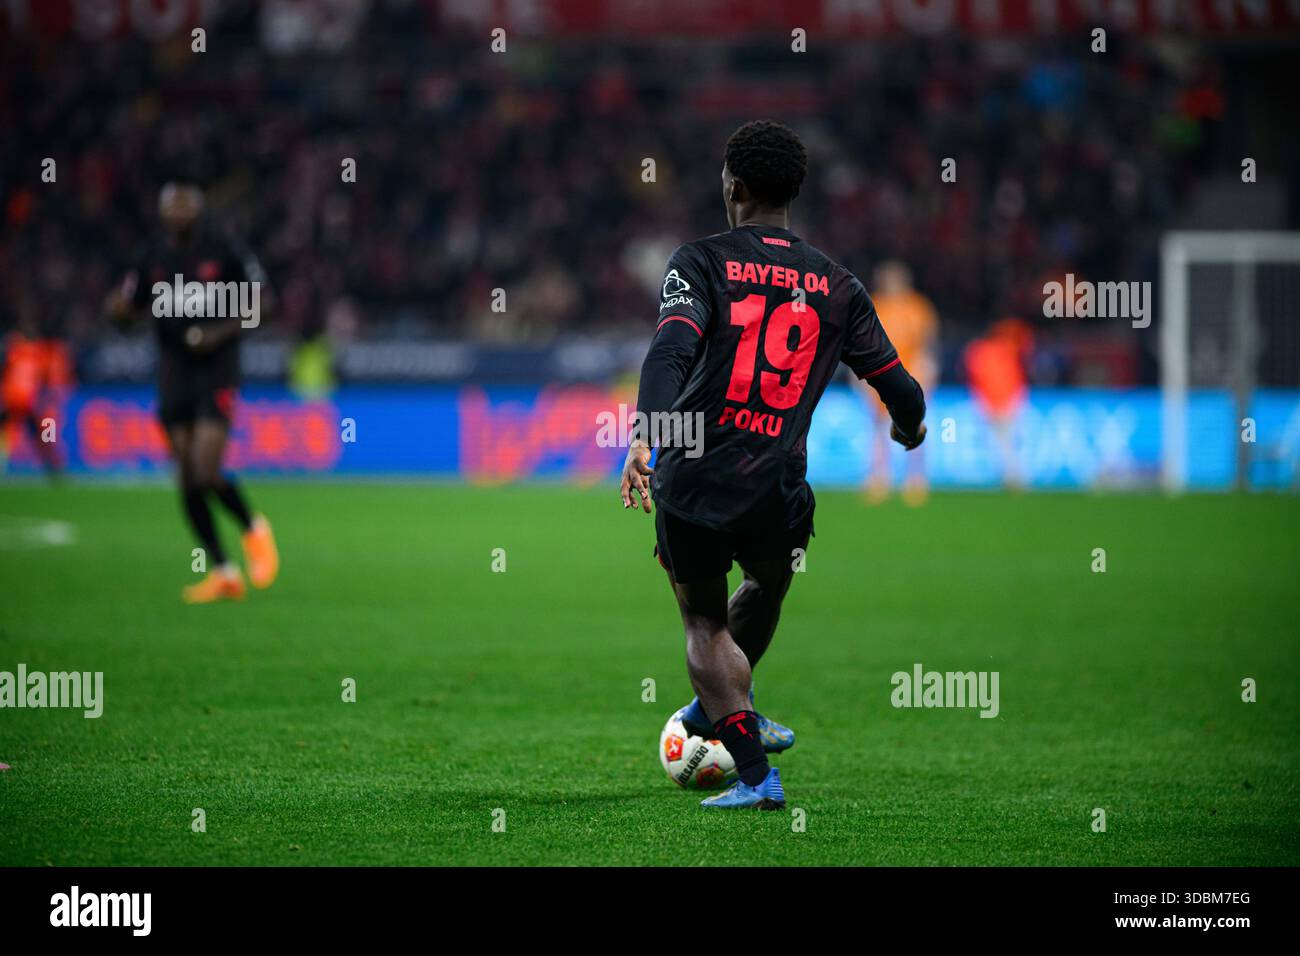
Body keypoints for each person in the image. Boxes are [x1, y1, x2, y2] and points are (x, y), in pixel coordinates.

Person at [619, 121, 927, 810]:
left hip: (696, 475)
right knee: (764, 587)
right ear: (796, 190)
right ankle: (727, 710)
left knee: (704, 623)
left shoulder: (699, 262)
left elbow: (670, 352)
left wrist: (647, 438)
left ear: (732, 184)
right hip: (780, 484)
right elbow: (901, 390)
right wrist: (910, 430)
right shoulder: (838, 285)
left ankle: (755, 774)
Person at [108, 180, 279, 603]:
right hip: (173, 372)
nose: (179, 212)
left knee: (206, 468)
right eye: (173, 205)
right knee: (186, 477)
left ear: (199, 210)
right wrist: (118, 312)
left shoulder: (224, 250)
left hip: (217, 370)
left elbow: (265, 303)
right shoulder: (151, 258)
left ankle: (253, 528)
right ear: (163, 211)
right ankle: (222, 569)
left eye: (187, 205)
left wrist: (219, 332)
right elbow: (126, 312)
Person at [860, 260, 938, 505]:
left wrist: (926, 374)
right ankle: (879, 477)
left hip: (910, 376)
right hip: (880, 376)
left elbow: (927, 347)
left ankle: (916, 479)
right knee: (878, 428)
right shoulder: (874, 304)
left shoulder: (918, 308)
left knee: (914, 426)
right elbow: (860, 344)